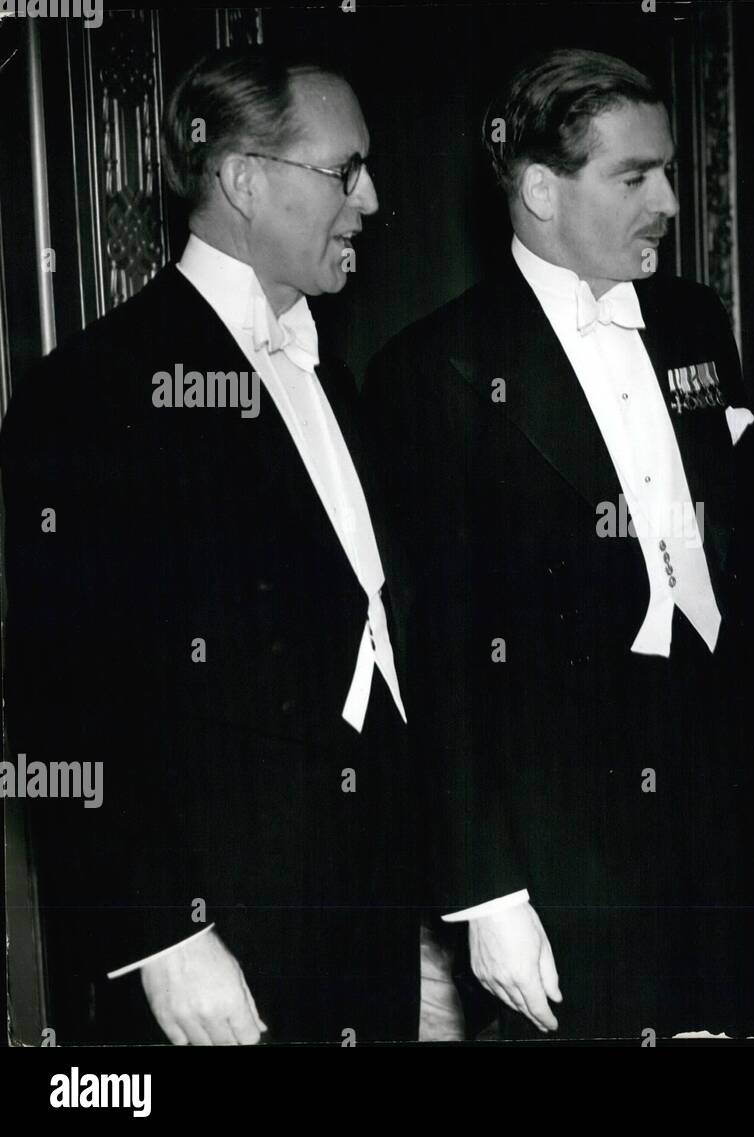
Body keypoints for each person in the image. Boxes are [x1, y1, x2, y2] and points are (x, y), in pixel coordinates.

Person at [362, 47, 754, 1040]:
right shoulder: (433, 370)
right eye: (634, 177)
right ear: (538, 189)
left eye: (668, 172)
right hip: (564, 824)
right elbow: (438, 654)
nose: (666, 199)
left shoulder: (697, 321)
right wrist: (484, 893)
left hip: (725, 792)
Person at [2, 46, 425, 1044]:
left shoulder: (336, 380)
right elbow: (61, 694)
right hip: (214, 941)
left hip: (361, 913)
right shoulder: (93, 394)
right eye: (344, 170)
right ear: (242, 178)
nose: (370, 198)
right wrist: (163, 938)